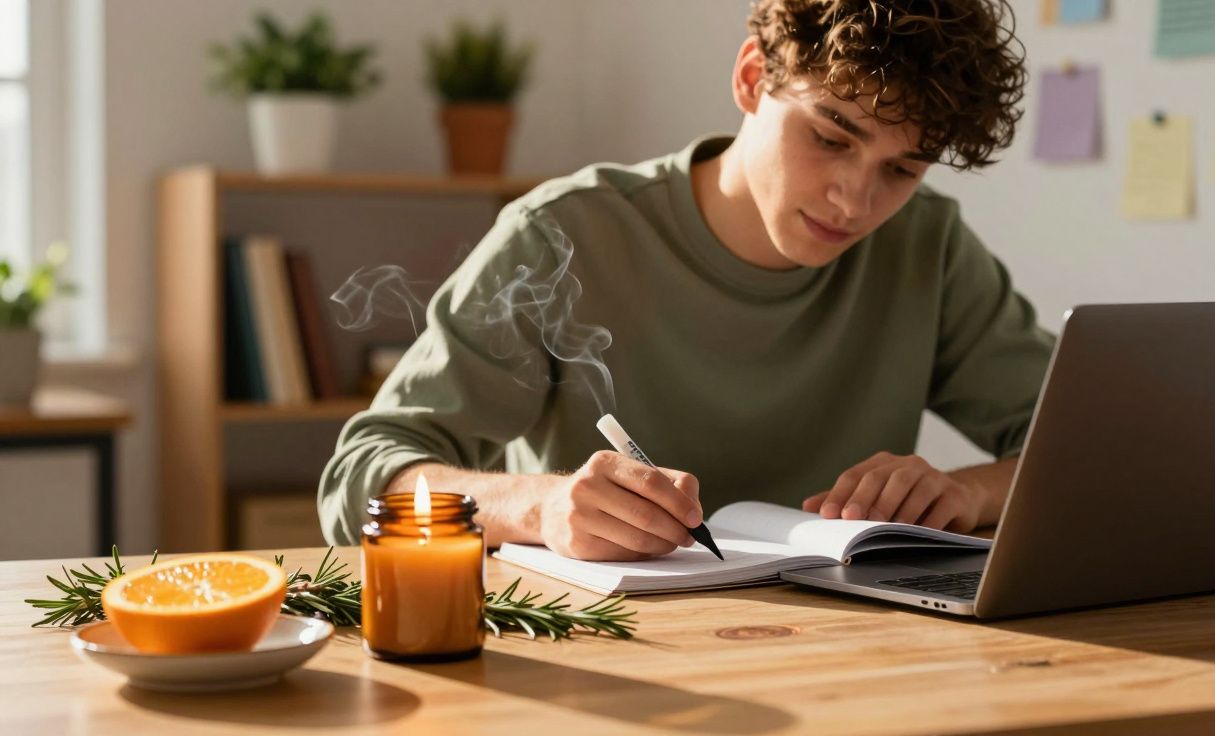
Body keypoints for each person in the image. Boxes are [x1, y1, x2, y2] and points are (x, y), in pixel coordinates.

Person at [319, 0, 1052, 561]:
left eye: (902, 170)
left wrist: (967, 491)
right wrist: (537, 508)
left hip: (855, 653)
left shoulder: (928, 245)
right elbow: (361, 480)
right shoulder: (565, 234)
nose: (855, 201)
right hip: (606, 661)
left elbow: (1083, 442)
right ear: (751, 79)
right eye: (830, 137)